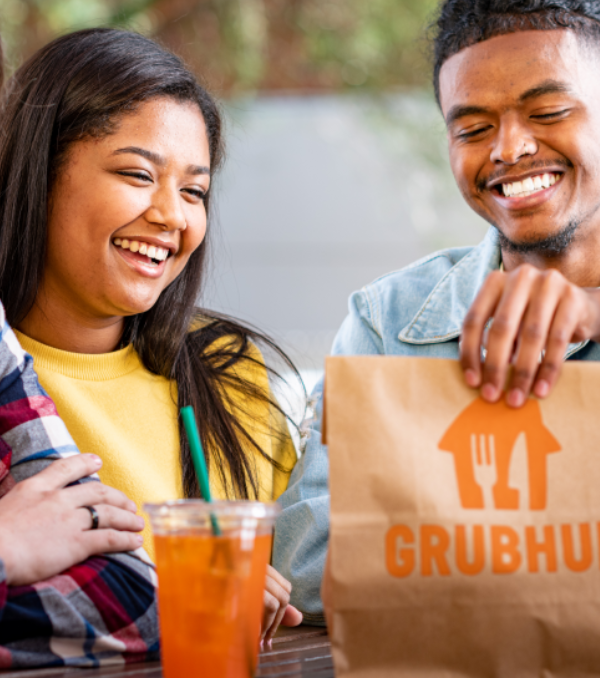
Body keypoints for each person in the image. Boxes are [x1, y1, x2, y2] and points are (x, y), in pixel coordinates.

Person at [273, 0, 600, 624]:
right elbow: (307, 562)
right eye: (473, 129)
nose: (509, 147)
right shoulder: (388, 323)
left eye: (549, 112)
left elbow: (370, 561)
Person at [0, 28, 302, 644]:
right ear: (40, 171)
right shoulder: (11, 386)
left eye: (195, 190)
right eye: (139, 174)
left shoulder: (231, 376)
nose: (173, 216)